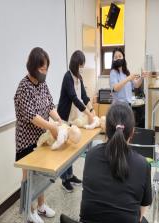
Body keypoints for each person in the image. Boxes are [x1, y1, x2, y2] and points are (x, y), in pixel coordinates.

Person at [80, 102, 152, 223]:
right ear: (132, 132)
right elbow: (141, 211)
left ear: (106, 129)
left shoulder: (91, 155)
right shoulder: (143, 165)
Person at [14, 47, 62, 223]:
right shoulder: (24, 87)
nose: (45, 73)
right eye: (42, 69)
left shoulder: (42, 84)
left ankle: (41, 205)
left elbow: (50, 105)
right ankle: (29, 211)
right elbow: (32, 116)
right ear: (33, 67)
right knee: (28, 177)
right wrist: (52, 126)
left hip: (41, 138)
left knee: (40, 174)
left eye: (46, 69)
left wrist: (60, 121)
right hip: (26, 140)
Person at [57, 50, 94, 192]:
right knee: (66, 149)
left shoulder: (80, 77)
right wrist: (89, 114)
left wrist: (92, 111)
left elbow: (84, 97)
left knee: (71, 148)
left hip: (75, 118)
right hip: (65, 117)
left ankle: (70, 175)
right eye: (80, 65)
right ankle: (64, 180)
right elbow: (74, 98)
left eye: (82, 66)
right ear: (74, 64)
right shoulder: (67, 77)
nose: (81, 68)